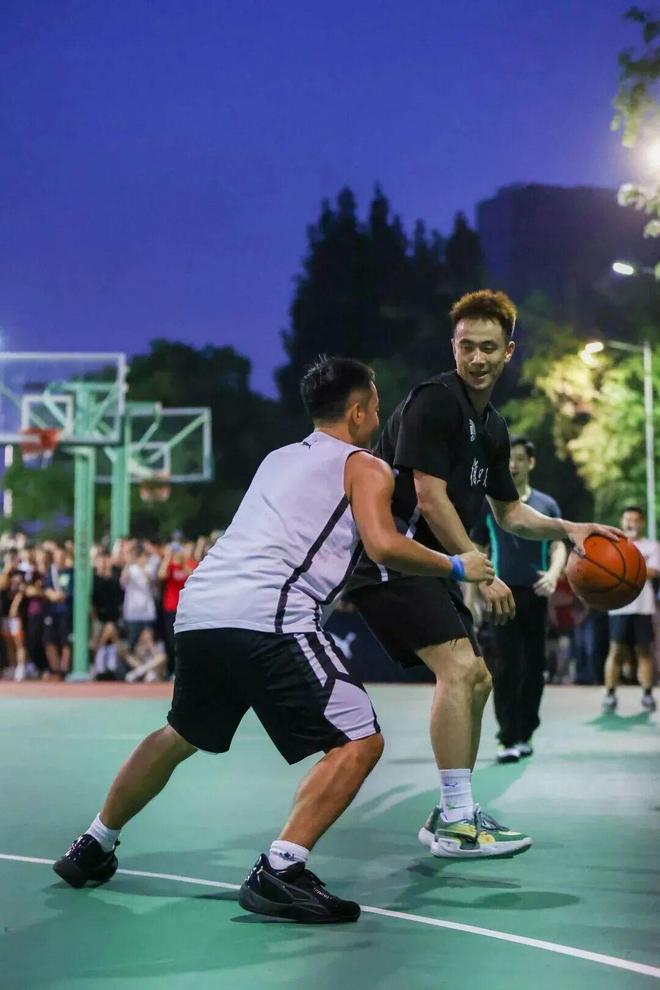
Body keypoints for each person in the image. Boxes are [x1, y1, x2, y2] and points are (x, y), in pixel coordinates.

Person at [53, 357, 493, 925]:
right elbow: (384, 545)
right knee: (359, 740)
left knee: (180, 733)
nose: (378, 417)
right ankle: (282, 868)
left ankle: (94, 842)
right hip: (270, 613)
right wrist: (458, 565)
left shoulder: (278, 458)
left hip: (201, 610)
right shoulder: (365, 466)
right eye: (375, 407)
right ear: (358, 411)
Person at [345, 289, 623, 859]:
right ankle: (456, 819)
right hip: (393, 560)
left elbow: (511, 513)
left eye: (488, 348)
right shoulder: (434, 402)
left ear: (508, 351)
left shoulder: (494, 427)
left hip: (433, 567)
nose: (476, 358)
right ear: (453, 347)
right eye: (466, 346)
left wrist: (570, 528)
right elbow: (429, 496)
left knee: (478, 681)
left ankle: (452, 812)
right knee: (462, 671)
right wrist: (478, 572)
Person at [470, 436, 567, 763]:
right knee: (507, 665)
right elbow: (478, 549)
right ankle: (508, 737)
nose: (513, 465)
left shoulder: (546, 505)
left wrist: (553, 574)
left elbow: (559, 545)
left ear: (531, 463)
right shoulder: (489, 503)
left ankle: (526, 731)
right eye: (508, 459)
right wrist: (474, 593)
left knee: (535, 667)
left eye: (520, 459)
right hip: (501, 593)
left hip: (536, 593)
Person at [603, 505, 660, 713]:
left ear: (641, 523)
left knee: (644, 651)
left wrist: (624, 568)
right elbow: (607, 571)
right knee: (616, 650)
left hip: (643, 608)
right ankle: (610, 693)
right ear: (621, 522)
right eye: (628, 519)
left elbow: (654, 572)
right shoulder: (612, 544)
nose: (631, 523)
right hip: (619, 607)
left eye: (635, 519)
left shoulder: (652, 546)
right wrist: (638, 565)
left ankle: (647, 693)